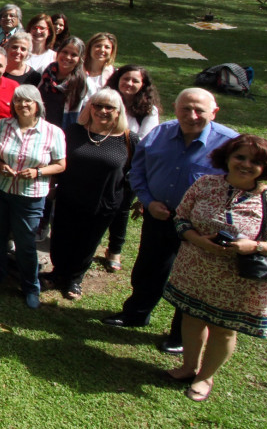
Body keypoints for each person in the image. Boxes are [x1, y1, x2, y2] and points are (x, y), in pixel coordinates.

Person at [162, 135, 267, 402]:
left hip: (238, 281)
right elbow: (181, 219)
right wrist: (198, 240)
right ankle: (189, 367)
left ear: (266, 167)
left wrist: (256, 246)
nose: (246, 164)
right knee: (191, 318)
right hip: (195, 270)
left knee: (224, 329)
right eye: (240, 157)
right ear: (227, 157)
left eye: (255, 161)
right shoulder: (205, 184)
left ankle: (205, 377)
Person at [102, 88, 238, 354]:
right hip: (159, 215)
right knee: (149, 267)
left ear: (214, 112)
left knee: (191, 280)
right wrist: (148, 201)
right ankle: (136, 314)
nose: (192, 115)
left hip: (202, 227)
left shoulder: (230, 144)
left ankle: (181, 335)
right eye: (185, 108)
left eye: (199, 109)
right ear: (175, 107)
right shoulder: (160, 134)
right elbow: (137, 170)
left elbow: (240, 186)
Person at [0, 85, 66, 309]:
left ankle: (30, 286)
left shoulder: (52, 132)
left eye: (28, 101)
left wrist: (38, 172)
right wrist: (1, 165)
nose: (23, 105)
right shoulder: (2, 126)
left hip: (30, 195)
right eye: (18, 101)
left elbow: (61, 164)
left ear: (38, 105)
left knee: (25, 242)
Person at [44, 89, 136, 301]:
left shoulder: (128, 139)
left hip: (103, 203)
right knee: (61, 238)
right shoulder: (74, 131)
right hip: (69, 197)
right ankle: (58, 273)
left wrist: (126, 196)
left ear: (118, 112)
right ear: (89, 107)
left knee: (87, 242)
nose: (102, 111)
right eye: (97, 105)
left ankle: (75, 279)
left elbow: (136, 171)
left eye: (109, 107)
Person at [97, 64, 162, 272]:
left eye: (135, 81)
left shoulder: (148, 110)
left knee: (121, 209)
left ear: (143, 85)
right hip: (100, 162)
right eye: (126, 79)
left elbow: (145, 141)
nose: (129, 83)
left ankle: (114, 249)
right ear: (117, 79)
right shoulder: (104, 100)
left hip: (129, 168)